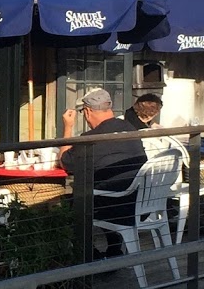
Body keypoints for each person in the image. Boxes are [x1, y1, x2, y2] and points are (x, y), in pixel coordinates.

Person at [58, 88, 147, 247]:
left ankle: (85, 255)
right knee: (103, 185)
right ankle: (113, 248)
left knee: (68, 202)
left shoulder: (91, 138)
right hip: (139, 202)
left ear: (87, 111)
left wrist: (68, 127)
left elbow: (65, 163)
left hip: (112, 206)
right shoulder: (130, 128)